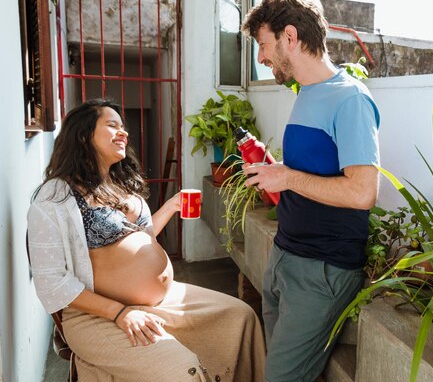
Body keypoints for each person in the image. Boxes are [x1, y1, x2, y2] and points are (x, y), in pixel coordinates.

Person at [27, 99, 265, 382]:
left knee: (242, 317)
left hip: (161, 299)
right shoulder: (57, 196)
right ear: (83, 135)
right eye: (112, 125)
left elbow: (144, 239)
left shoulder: (120, 186)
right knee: (182, 372)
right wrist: (119, 312)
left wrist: (171, 207)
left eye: (123, 126)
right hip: (97, 313)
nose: (124, 132)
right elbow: (51, 283)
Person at [241, 0, 380, 382]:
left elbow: (362, 193)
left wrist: (285, 177)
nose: (262, 59)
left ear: (289, 36)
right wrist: (278, 172)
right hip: (285, 256)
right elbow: (315, 173)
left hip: (322, 270)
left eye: (264, 46)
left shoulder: (350, 99)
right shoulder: (307, 94)